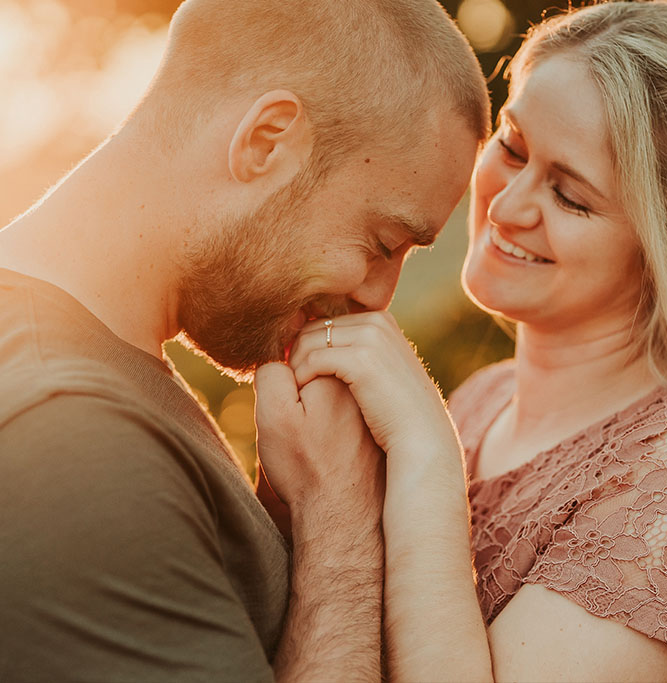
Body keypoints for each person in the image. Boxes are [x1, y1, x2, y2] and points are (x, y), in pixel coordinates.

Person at [282, 1, 667, 681]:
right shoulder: (482, 403)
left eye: (571, 197)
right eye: (511, 148)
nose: (507, 207)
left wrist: (424, 456)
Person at [0, 0, 488, 680]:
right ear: (266, 141)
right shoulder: (71, 435)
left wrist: (282, 517)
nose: (379, 295)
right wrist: (339, 525)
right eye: (382, 242)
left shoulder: (105, 375)